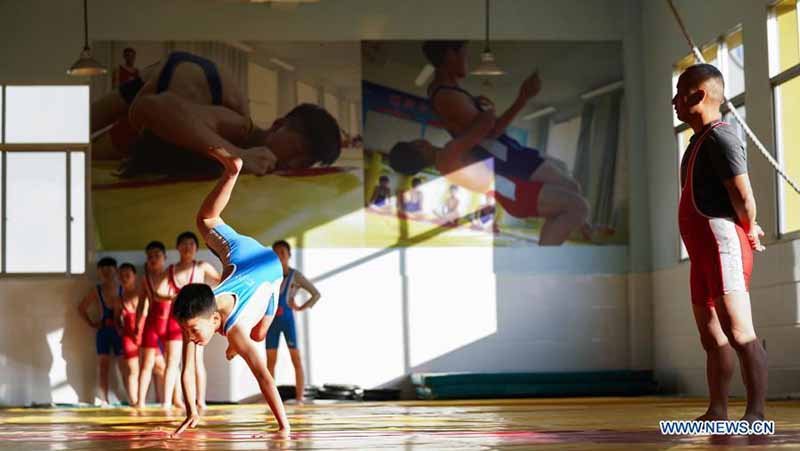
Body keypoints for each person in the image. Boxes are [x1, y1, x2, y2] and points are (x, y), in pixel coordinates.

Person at [416, 40, 589, 244]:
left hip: (508, 153)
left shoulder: (446, 91)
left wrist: (479, 108)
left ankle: (580, 229)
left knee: (570, 186)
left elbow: (483, 128)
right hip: (505, 159)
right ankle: (576, 233)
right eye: (464, 54)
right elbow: (490, 132)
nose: (467, 60)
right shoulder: (447, 95)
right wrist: (523, 98)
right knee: (574, 200)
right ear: (449, 56)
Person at [171, 147, 290, 437]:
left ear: (213, 321)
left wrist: (283, 428)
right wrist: (191, 411)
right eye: (187, 331)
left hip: (268, 267)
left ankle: (232, 171)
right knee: (206, 223)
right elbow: (185, 369)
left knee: (258, 335)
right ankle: (232, 171)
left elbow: (264, 377)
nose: (190, 336)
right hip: (240, 258)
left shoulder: (234, 328)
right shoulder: (198, 313)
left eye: (192, 331)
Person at [674, 63, 767, 423]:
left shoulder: (720, 137)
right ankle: (717, 410)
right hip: (701, 254)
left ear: (699, 95)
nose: (674, 101)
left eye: (680, 93)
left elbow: (743, 196)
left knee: (741, 334)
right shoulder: (697, 142)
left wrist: (751, 226)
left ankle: (756, 413)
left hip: (723, 245)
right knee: (713, 339)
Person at [91, 51, 340, 178]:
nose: (294, 164)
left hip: (178, 83)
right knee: (83, 134)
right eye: (296, 150)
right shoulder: (240, 123)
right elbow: (149, 108)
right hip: (185, 82)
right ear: (278, 125)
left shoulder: (237, 127)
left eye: (304, 163)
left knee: (92, 144)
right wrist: (239, 157)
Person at [168, 231, 221, 410]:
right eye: (184, 244)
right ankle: (176, 400)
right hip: (181, 318)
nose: (187, 247)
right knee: (177, 361)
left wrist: (208, 301)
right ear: (177, 247)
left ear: (196, 248)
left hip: (198, 319)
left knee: (197, 360)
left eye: (191, 244)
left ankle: (200, 401)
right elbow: (157, 293)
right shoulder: (172, 270)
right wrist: (169, 296)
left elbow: (221, 281)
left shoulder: (202, 266)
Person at [266, 240, 321, 403]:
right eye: (276, 253)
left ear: (289, 255)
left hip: (288, 321)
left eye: (283, 252)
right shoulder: (268, 276)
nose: (279, 256)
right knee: (270, 362)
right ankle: (271, 398)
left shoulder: (295, 276)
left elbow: (316, 294)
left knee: (296, 359)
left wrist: (301, 307)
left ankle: (299, 398)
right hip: (271, 322)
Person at [136, 241, 184, 410]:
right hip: (152, 324)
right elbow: (142, 304)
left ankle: (175, 399)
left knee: (173, 363)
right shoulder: (145, 280)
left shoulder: (172, 274)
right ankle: (140, 401)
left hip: (172, 322)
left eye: (157, 255)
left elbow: (180, 298)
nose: (153, 259)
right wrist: (137, 326)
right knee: (146, 364)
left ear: (164, 257)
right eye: (150, 256)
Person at [77, 257, 123, 405]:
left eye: (110, 269)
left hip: (119, 331)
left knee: (124, 365)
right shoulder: (97, 290)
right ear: (99, 272)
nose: (107, 273)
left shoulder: (123, 288)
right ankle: (104, 399)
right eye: (103, 270)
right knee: (103, 364)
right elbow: (81, 307)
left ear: (115, 270)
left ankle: (129, 396)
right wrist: (91, 323)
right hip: (104, 331)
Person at [115, 262, 143, 405]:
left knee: (161, 366)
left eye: (128, 275)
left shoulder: (141, 293)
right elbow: (116, 318)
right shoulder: (119, 299)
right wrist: (121, 330)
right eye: (121, 276)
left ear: (134, 276)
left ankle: (169, 399)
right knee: (132, 369)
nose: (125, 278)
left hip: (144, 333)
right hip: (128, 336)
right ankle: (135, 402)